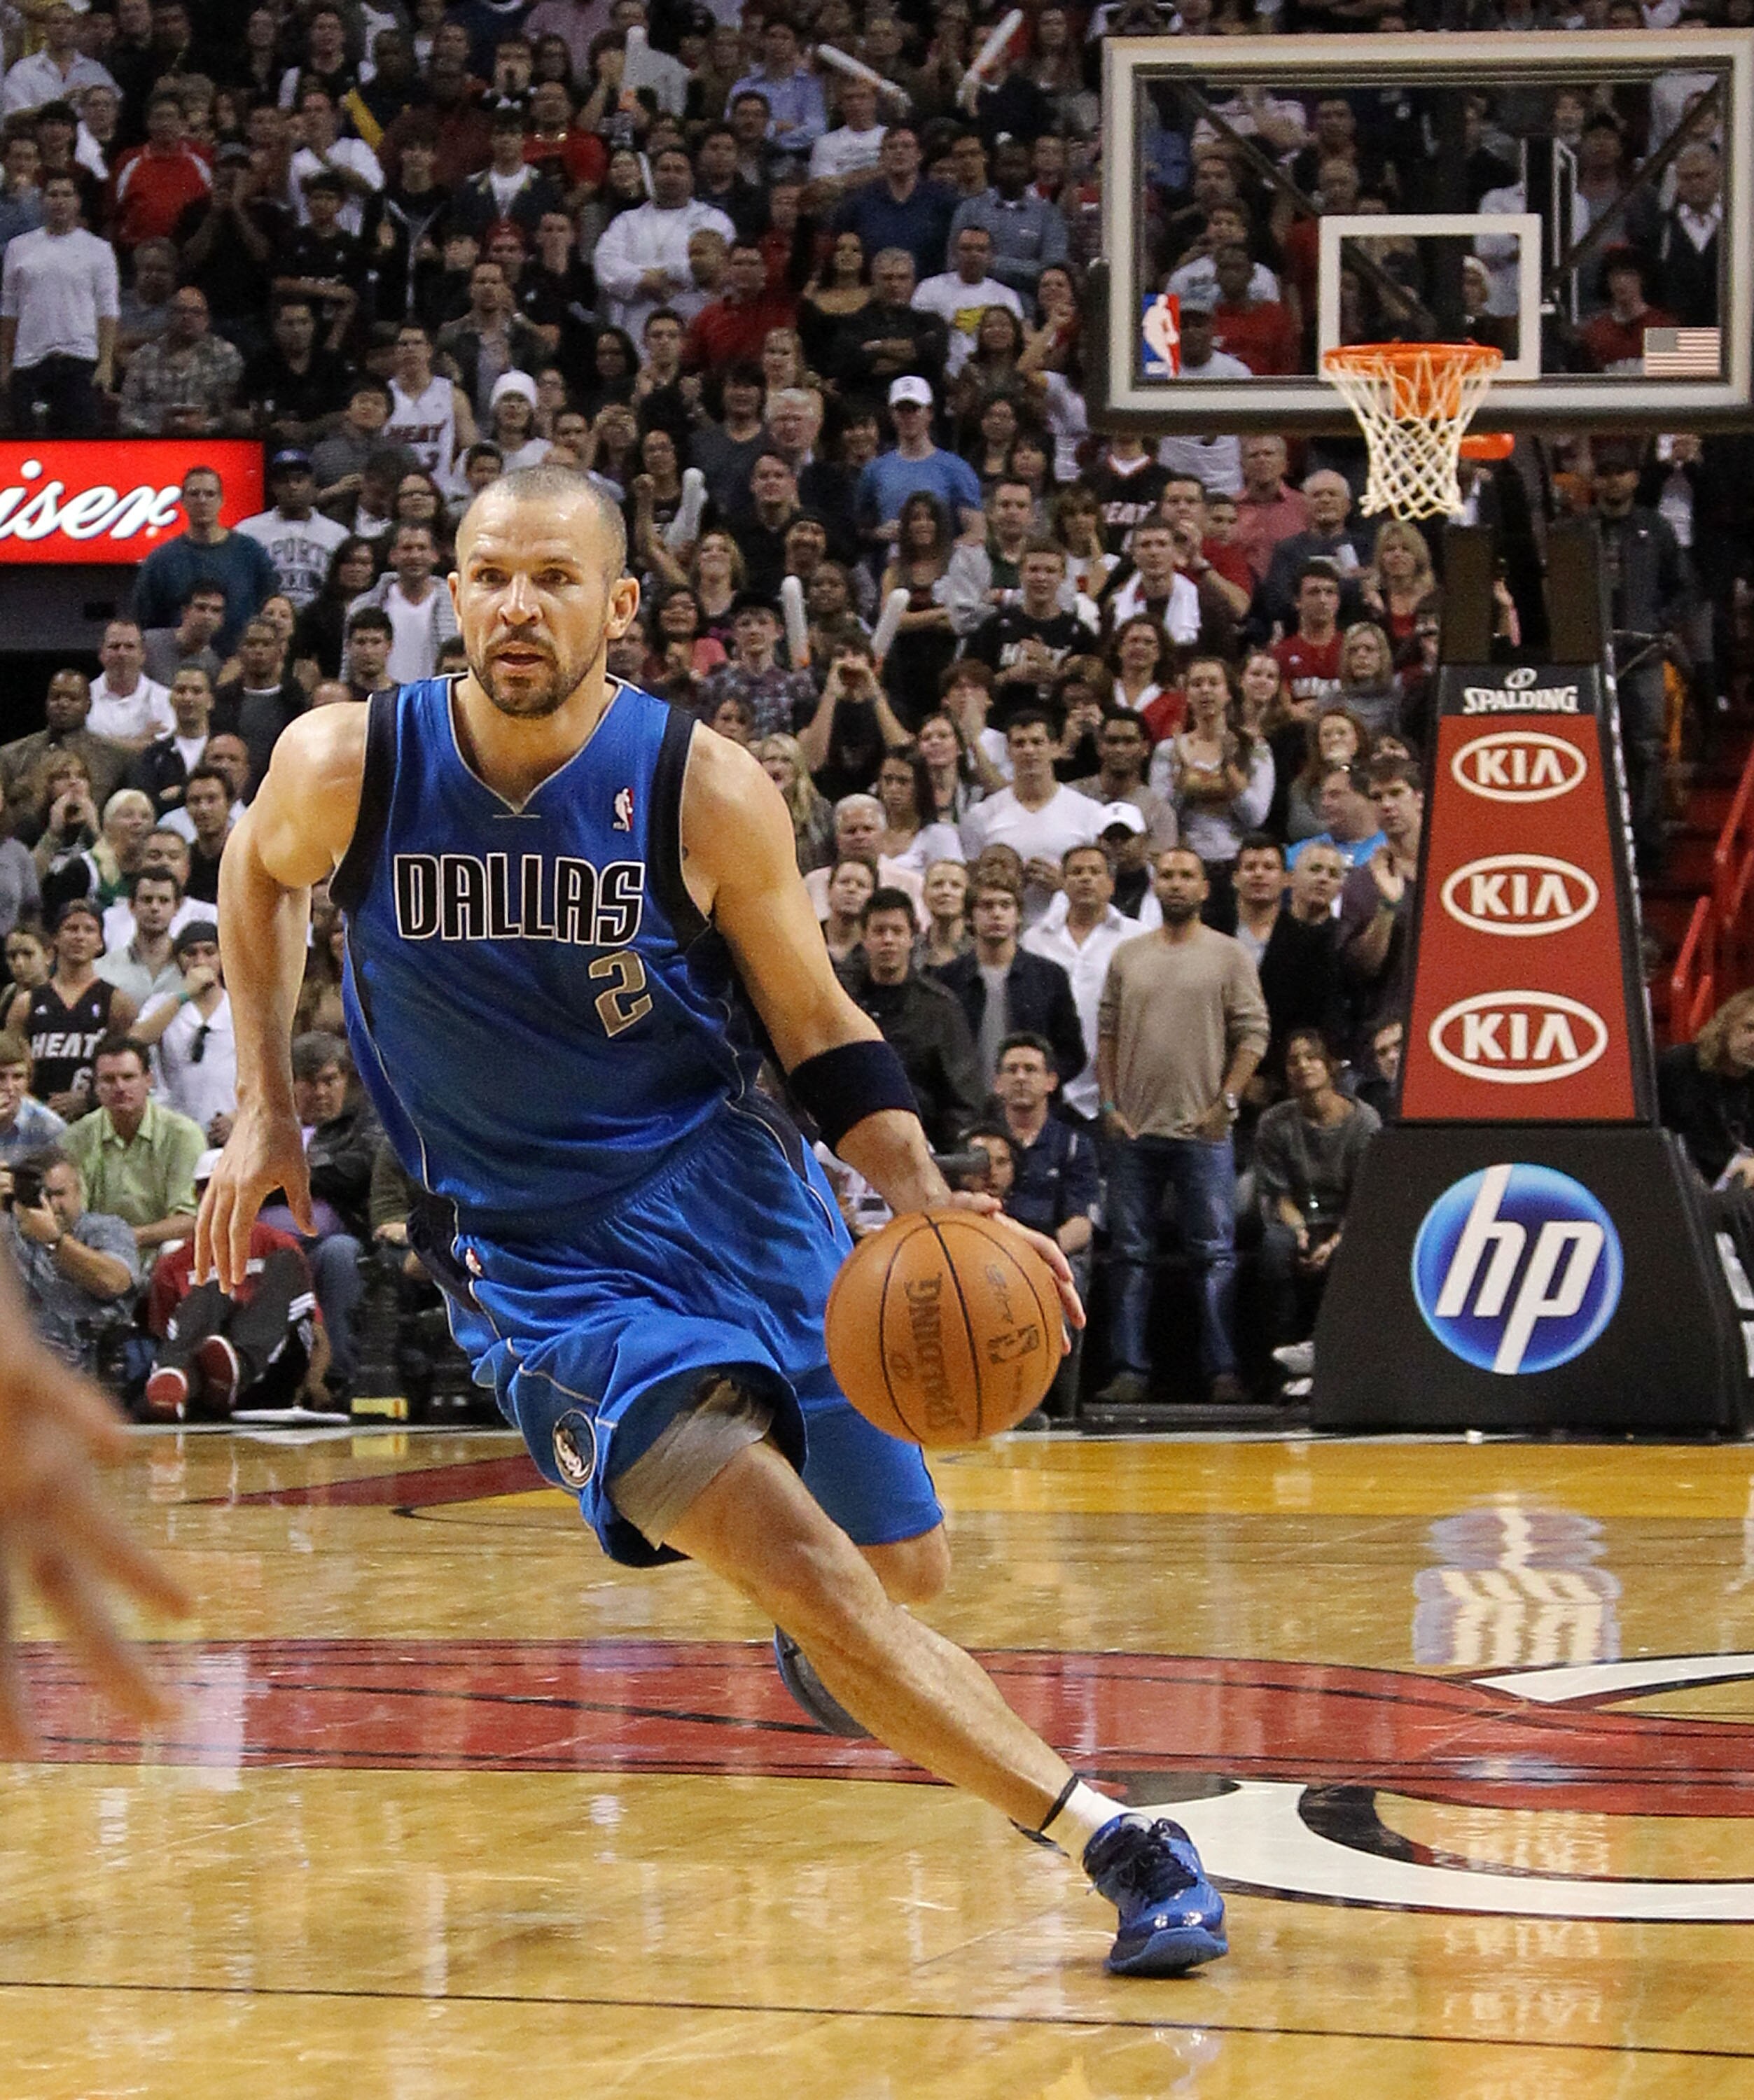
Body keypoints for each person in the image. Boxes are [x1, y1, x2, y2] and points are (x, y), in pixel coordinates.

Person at [196, 461, 1224, 1980]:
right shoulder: (349, 766)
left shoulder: (704, 787)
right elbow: (252, 878)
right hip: (540, 1265)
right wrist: (267, 1104)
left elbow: (817, 1025)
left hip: (741, 1204)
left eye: (551, 579)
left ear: (619, 604)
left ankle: (847, 1646)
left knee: (899, 1578)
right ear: (447, 599)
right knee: (804, 1567)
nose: (514, 606)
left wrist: (936, 1209)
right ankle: (1125, 1845)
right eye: (487, 576)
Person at [1095, 847, 1269, 1408]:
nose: (1174, 884)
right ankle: (1128, 1371)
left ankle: (1222, 1372)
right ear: (1153, 883)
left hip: (1203, 1132)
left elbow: (1253, 1034)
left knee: (1215, 1256)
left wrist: (1227, 1103)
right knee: (1130, 1256)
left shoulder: (1228, 955)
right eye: (1165, 874)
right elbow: (1106, 1035)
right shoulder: (1127, 956)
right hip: (1135, 1132)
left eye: (1185, 876)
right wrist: (1108, 1104)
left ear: (1203, 889)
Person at [144, 1149, 328, 1422]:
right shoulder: (172, 1264)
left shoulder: (280, 1246)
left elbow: (314, 1331)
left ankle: (236, 1367)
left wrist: (314, 1382)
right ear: (197, 1197)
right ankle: (175, 1385)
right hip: (202, 1379)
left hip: (274, 1372)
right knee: (211, 1289)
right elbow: (164, 1334)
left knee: (282, 1265)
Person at [1255, 1030, 1381, 1381]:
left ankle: (1336, 1365)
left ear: (1330, 1067)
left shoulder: (1363, 1122)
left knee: (1353, 1254)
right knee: (1275, 1250)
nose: (1302, 1066)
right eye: (1293, 1060)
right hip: (1299, 1220)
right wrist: (1299, 1233)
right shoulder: (1274, 1123)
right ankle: (1281, 1364)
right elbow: (1278, 1195)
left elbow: (1367, 1201)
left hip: (1349, 1222)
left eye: (1311, 1057)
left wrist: (1334, 1242)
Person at [836, 887, 983, 1153]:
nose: (888, 940)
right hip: (845, 1143)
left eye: (897, 931)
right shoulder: (840, 999)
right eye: (879, 931)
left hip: (923, 1145)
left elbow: (963, 1096)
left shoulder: (940, 1007)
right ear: (864, 937)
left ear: (913, 936)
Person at [1022, 844, 1148, 1124]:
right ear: (1063, 883)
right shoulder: (1035, 939)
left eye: (1095, 872)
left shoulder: (1137, 939)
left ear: (1112, 884)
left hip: (1115, 1091)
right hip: (1050, 1086)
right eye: (1076, 872)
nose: (1086, 879)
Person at [934, 875, 1085, 1094]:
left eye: (1005, 906)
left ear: (1018, 916)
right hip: (966, 1107)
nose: (996, 914)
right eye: (987, 906)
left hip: (1033, 1108)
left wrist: (1041, 1084)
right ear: (969, 918)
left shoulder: (1049, 977)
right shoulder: (947, 979)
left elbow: (1072, 1053)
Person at [958, 712, 1106, 928]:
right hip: (1004, 929)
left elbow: (1104, 884)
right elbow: (971, 884)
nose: (1029, 751)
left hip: (1068, 929)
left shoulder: (1090, 812)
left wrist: (1064, 885)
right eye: (1020, 744)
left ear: (1055, 748)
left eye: (1037, 742)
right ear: (1008, 752)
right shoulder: (981, 814)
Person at [7, 1147, 139, 1386]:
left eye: (58, 1194)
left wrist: (55, 1241)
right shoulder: (11, 1231)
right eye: (39, 1193)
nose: (49, 1204)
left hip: (89, 1358)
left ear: (78, 1192)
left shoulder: (105, 1229)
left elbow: (116, 1282)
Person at [61, 1032, 204, 1253]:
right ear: (95, 1086)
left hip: (164, 1252)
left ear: (149, 1080)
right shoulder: (75, 1137)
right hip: (99, 1252)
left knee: (174, 1248)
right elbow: (73, 1215)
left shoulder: (183, 1135)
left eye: (128, 1077)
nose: (119, 1087)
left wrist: (126, 1237)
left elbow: (190, 1218)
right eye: (108, 1079)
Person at [0, 171, 118, 435]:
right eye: (53, 194)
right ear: (42, 201)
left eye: (67, 194)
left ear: (77, 201)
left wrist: (106, 361)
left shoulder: (99, 250)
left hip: (79, 360)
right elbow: (9, 309)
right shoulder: (19, 248)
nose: (59, 201)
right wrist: (5, 363)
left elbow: (108, 309)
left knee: (77, 445)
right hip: (29, 362)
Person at [8, 899, 137, 1119]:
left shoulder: (117, 1001)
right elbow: (8, 1065)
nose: (80, 936)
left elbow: (129, 1068)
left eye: (89, 930)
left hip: (96, 1118)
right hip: (36, 1120)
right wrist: (36, 1108)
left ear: (100, 942)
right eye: (71, 928)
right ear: (56, 939)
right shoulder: (26, 1003)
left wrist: (90, 1099)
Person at [132, 465, 279, 656]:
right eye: (195, 494)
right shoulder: (161, 560)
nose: (202, 500)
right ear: (183, 501)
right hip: (180, 671)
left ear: (221, 500)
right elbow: (144, 626)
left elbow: (270, 612)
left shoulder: (251, 552)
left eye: (210, 494)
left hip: (242, 666)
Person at [0, 1032, 67, 1164]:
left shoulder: (49, 1127)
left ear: (28, 1080)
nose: (9, 1087)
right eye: (0, 1077)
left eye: (18, 1077)